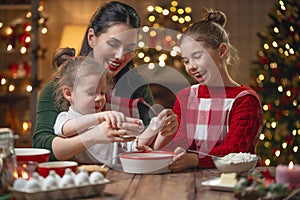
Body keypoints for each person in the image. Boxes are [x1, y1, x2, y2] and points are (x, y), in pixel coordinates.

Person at [33, 1, 177, 162]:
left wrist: (163, 129)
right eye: (113, 44)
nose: (121, 56)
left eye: (130, 48)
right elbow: (42, 147)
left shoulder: (137, 88)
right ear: (91, 38)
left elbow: (146, 145)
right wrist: (95, 135)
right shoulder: (59, 87)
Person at [158, 10, 263, 172]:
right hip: (193, 180)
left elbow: (235, 149)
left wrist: (194, 159)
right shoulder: (186, 96)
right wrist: (176, 151)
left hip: (235, 181)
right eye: (186, 60)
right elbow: (181, 141)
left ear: (222, 51)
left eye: (197, 56)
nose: (191, 66)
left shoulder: (245, 99)